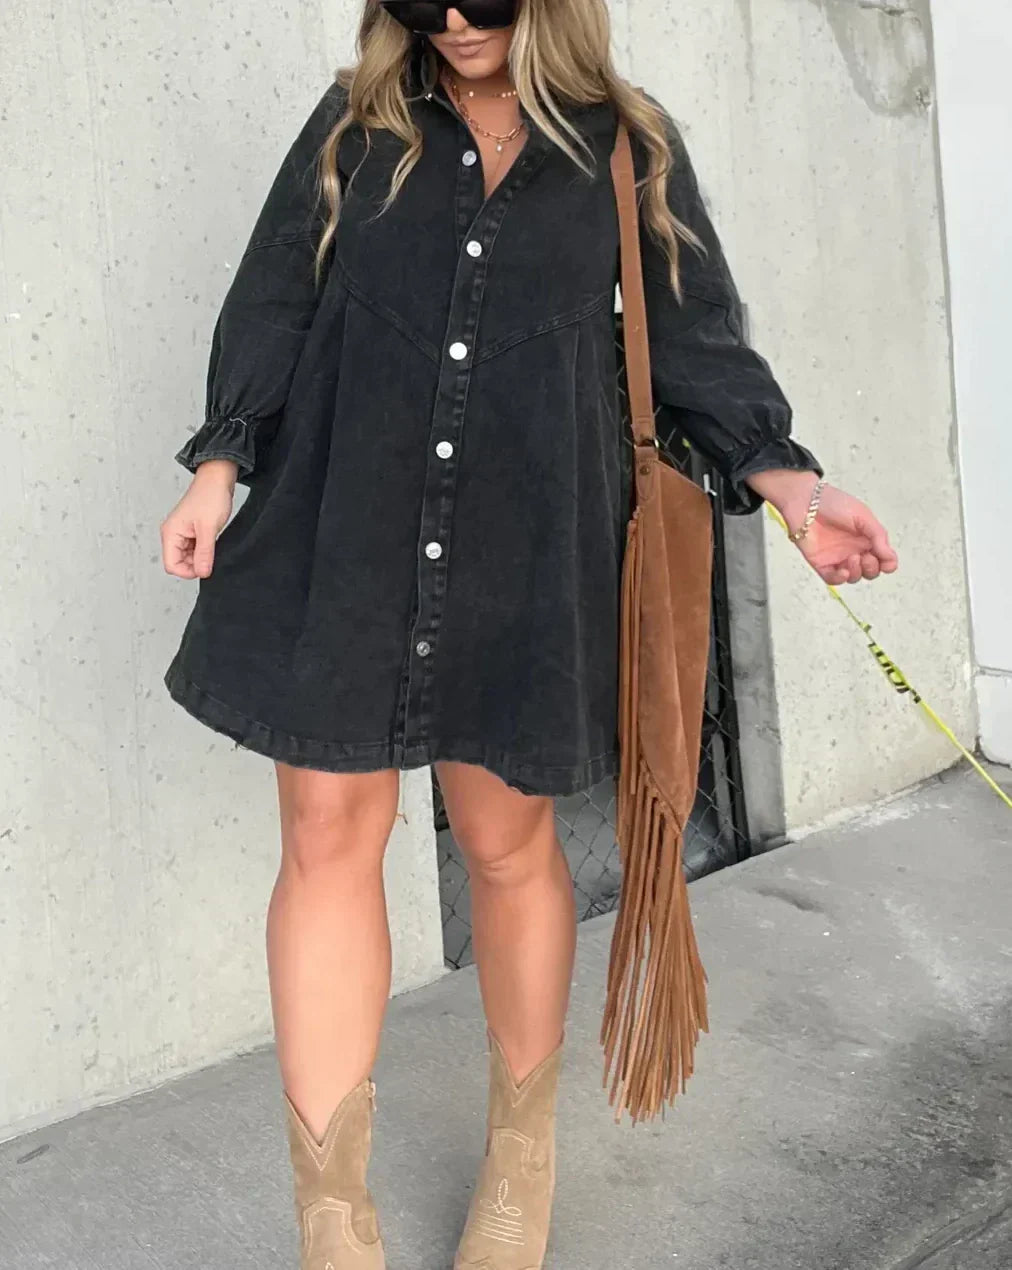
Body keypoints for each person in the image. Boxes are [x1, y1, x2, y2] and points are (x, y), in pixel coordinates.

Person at [159, 2, 898, 1266]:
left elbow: (695, 342)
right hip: (347, 528)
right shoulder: (356, 126)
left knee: (505, 843)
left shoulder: (622, 144)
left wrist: (795, 486)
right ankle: (332, 1215)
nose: (453, 21)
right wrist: (218, 468)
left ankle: (520, 1158)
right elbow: (275, 302)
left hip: (525, 543)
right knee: (326, 836)